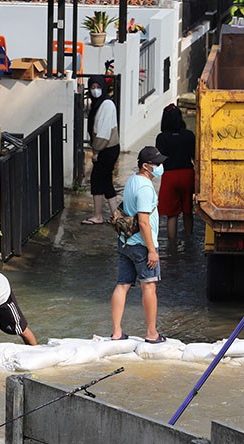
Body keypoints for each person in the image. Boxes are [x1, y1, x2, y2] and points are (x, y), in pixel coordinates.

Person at [108, 147, 167, 343]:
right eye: (156, 163)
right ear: (145, 166)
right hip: (141, 245)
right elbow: (143, 221)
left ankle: (116, 332)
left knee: (122, 285)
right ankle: (151, 334)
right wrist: (152, 250)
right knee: (149, 286)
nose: (159, 167)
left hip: (125, 242)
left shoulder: (133, 180)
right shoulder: (144, 187)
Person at [81, 75, 120, 225]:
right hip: (106, 148)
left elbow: (103, 132)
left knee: (101, 180)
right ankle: (108, 214)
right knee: (100, 180)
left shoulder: (106, 105)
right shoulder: (98, 104)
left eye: (98, 87)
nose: (95, 90)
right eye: (92, 87)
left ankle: (107, 215)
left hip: (106, 149)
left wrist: (96, 151)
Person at [155, 103, 196, 245]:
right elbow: (195, 157)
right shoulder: (189, 136)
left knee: (172, 215)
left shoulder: (161, 138)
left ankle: (172, 245)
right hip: (187, 175)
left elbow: (159, 160)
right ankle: (189, 240)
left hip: (170, 176)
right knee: (188, 211)